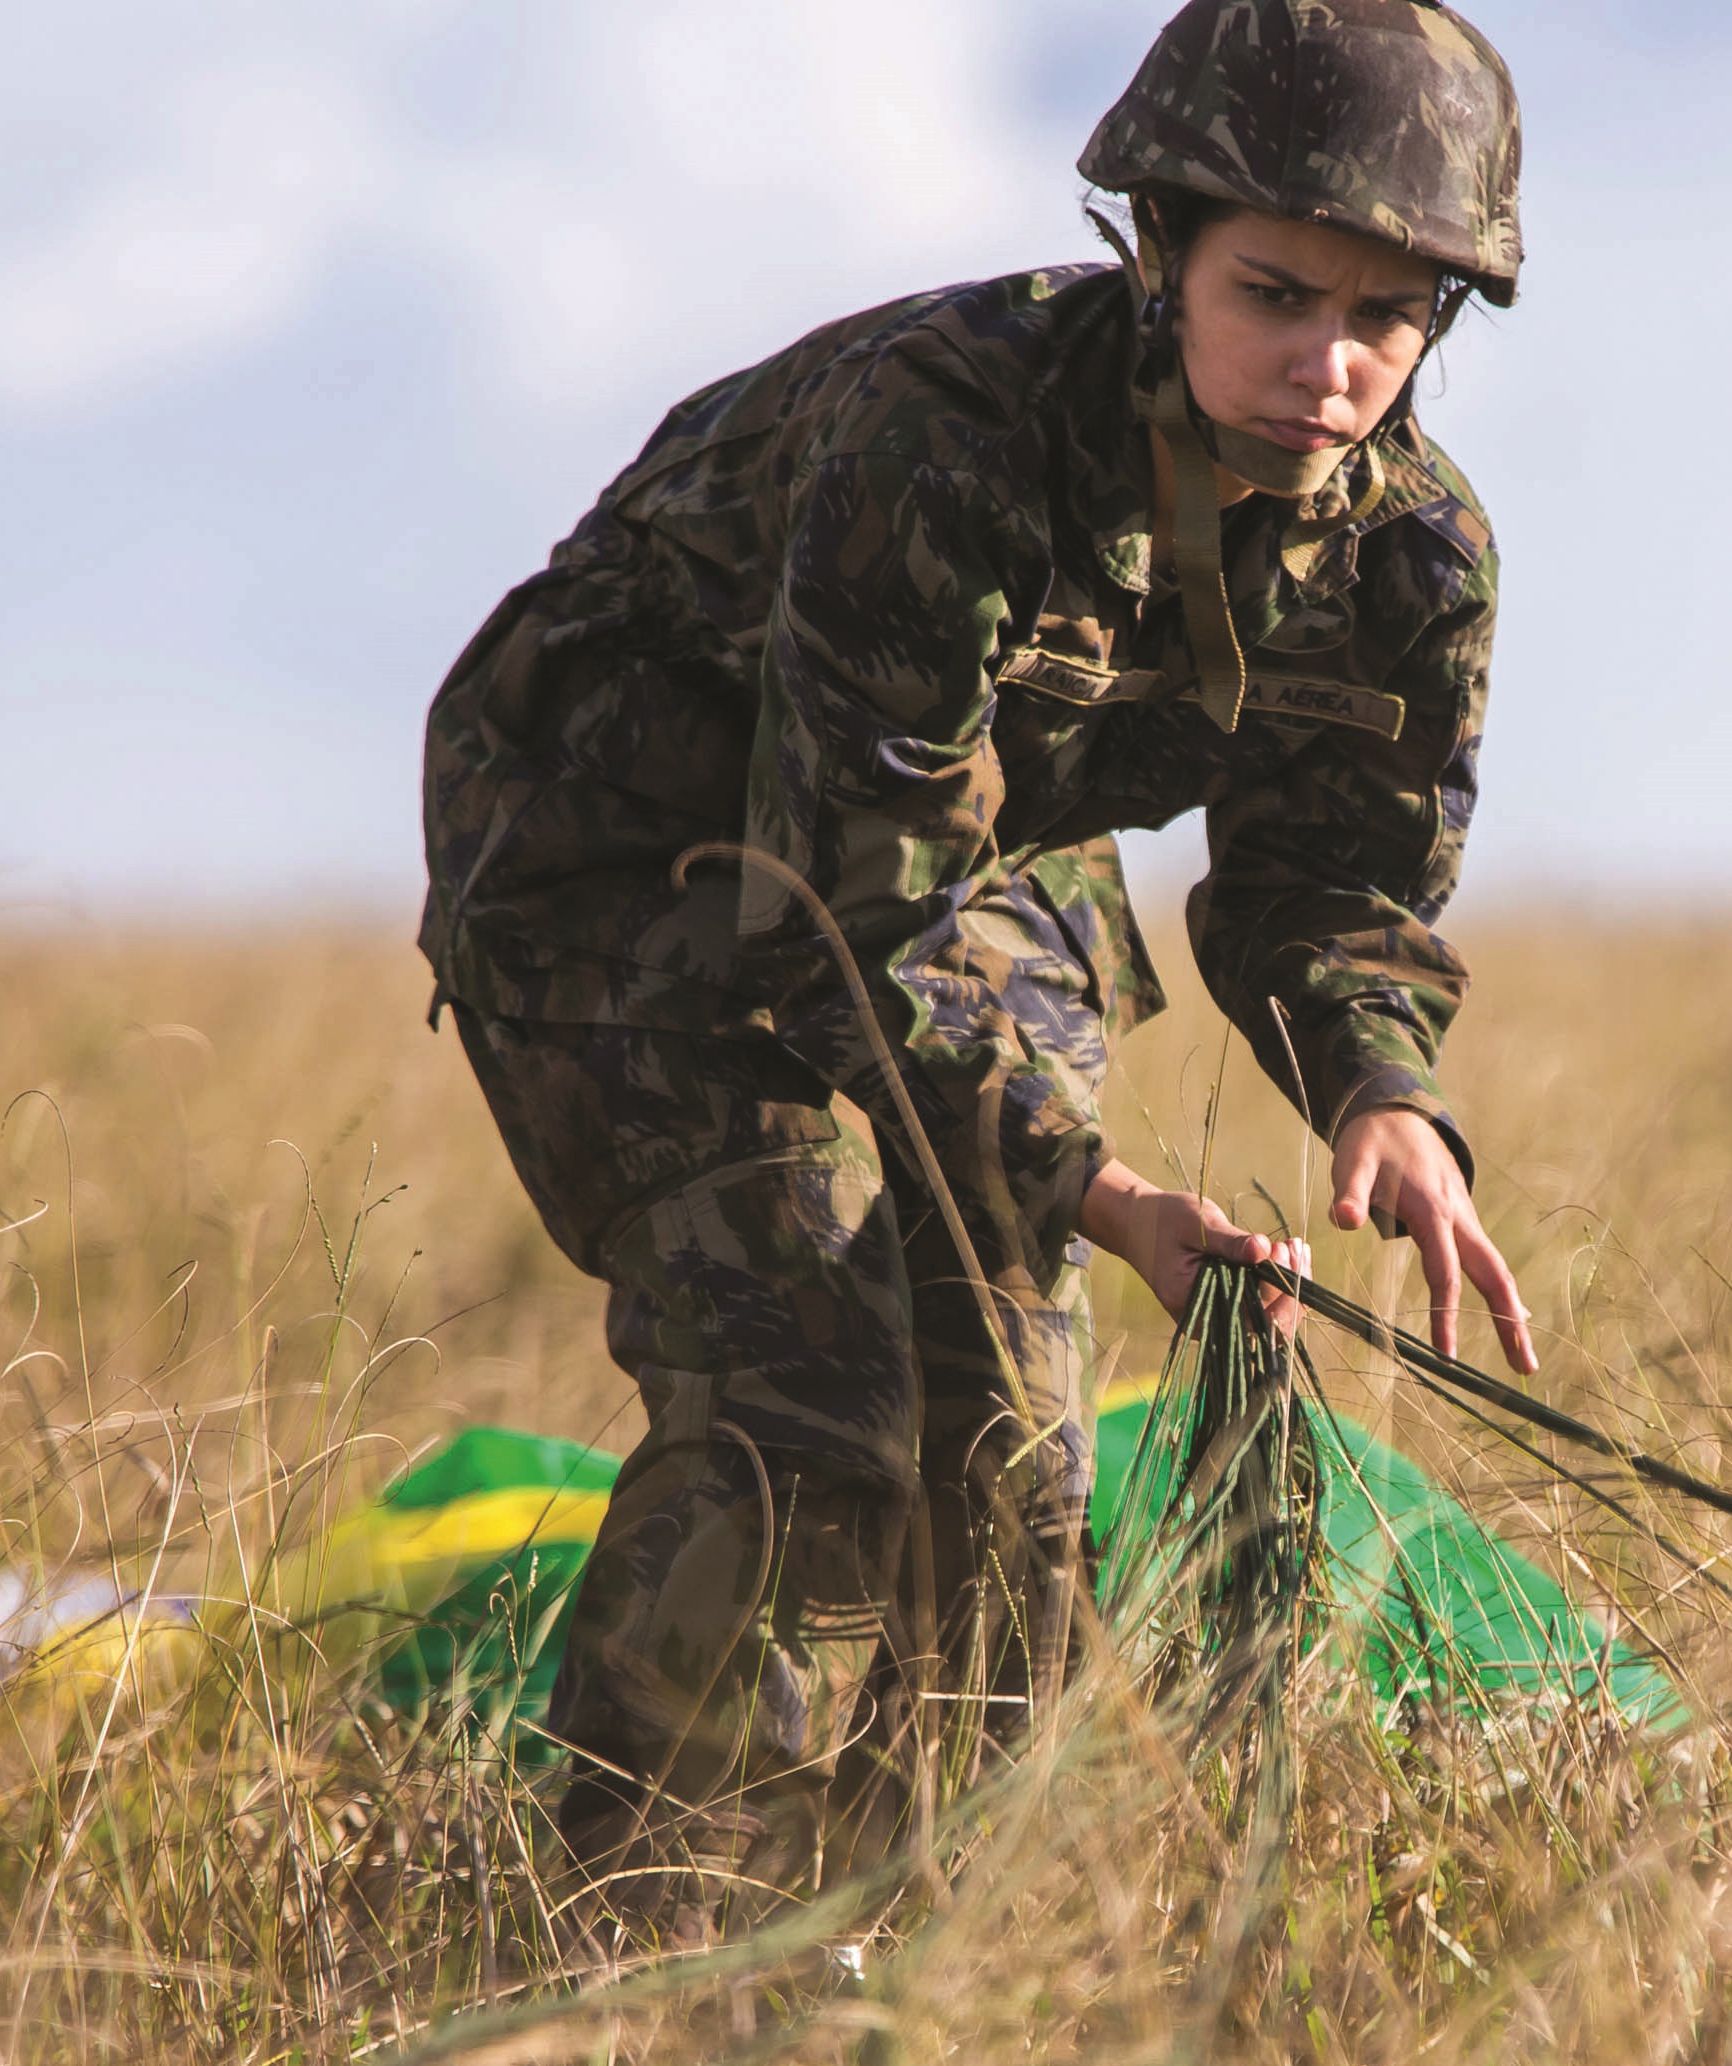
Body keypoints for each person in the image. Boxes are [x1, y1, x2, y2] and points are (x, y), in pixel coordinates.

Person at [416, 0, 1540, 1912]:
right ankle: (635, 1949)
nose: (1330, 364)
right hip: (618, 858)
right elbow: (854, 905)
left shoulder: (1414, 555)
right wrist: (1108, 1195)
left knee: (1010, 1463)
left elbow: (1330, 884)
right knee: (806, 1399)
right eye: (1276, 295)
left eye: (1389, 314)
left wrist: (1385, 1094)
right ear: (1158, 247)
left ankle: (890, 1945)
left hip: (970, 849)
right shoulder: (946, 436)